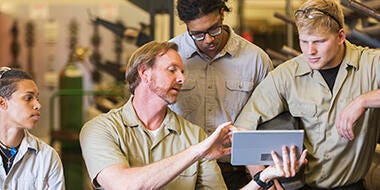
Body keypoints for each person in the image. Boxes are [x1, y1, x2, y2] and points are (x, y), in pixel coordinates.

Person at [79, 41, 307, 189]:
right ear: (145, 74)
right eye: (172, 70)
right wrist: (199, 151)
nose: (182, 79)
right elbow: (125, 186)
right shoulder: (100, 129)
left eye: (182, 71)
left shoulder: (194, 134)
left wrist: (263, 178)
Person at [235, 0, 380, 189]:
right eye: (304, 41)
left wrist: (364, 100)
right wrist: (264, 183)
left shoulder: (370, 64)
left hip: (350, 185)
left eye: (319, 42)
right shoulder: (286, 75)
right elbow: (242, 132)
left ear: (340, 36)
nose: (310, 51)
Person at [169, 0, 274, 188]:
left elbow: (267, 123)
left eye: (214, 29)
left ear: (222, 14)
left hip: (235, 173)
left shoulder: (256, 60)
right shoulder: (169, 57)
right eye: (198, 34)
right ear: (187, 25)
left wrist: (263, 175)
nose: (208, 39)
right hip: (180, 173)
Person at [0, 67, 65, 189]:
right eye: (28, 98)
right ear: (2, 103)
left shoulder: (47, 157)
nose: (38, 105)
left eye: (37, 98)